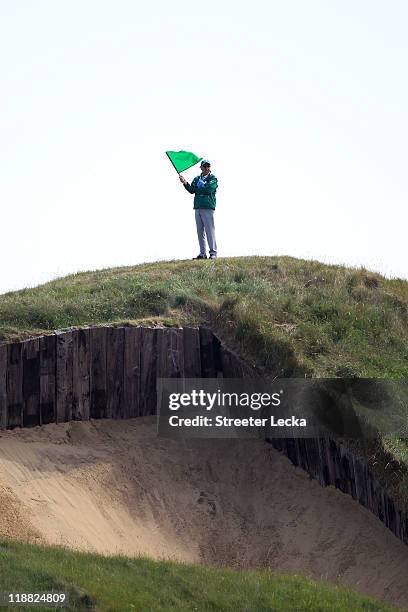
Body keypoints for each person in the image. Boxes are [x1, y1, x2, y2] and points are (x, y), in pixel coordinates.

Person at [179, 160, 218, 260]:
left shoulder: (213, 178)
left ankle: (213, 253)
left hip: (208, 207)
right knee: (200, 231)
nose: (206, 168)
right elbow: (192, 190)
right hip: (198, 207)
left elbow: (209, 189)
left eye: (208, 166)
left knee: (210, 230)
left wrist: (199, 190)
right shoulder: (196, 179)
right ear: (201, 167)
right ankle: (202, 253)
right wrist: (185, 182)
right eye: (204, 166)